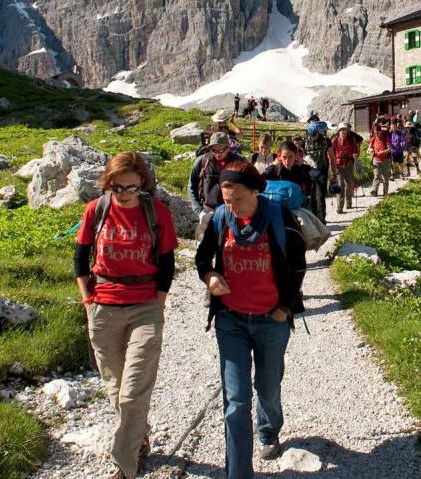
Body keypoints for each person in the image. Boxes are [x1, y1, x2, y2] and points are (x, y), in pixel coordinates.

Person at [195, 161, 307, 479]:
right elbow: (202, 258)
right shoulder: (220, 218)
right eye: (227, 200)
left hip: (272, 319)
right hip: (230, 321)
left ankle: (269, 430)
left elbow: (298, 265)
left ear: (256, 191)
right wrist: (211, 277)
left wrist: (284, 308)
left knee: (268, 387)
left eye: (238, 199)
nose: (232, 207)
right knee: (236, 401)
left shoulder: (278, 217)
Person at [75, 152, 178, 479]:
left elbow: (167, 263)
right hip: (103, 305)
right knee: (116, 387)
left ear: (143, 184)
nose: (124, 193)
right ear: (108, 183)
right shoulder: (96, 209)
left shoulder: (157, 212)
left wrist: (158, 305)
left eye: (131, 187)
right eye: (117, 187)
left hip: (145, 305)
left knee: (133, 391)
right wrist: (88, 300)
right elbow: (80, 257)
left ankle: (124, 465)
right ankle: (139, 435)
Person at [190, 132, 245, 235]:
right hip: (207, 213)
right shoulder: (202, 162)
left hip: (232, 212)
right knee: (203, 246)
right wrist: (198, 210)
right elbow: (191, 186)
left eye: (221, 150)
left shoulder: (238, 162)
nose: (217, 154)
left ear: (228, 148)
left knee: (229, 246)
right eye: (214, 150)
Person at [330, 123, 362, 212]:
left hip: (349, 164)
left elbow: (356, 151)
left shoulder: (352, 140)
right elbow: (330, 153)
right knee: (340, 186)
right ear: (339, 131)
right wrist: (332, 164)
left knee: (350, 185)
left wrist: (356, 157)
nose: (343, 131)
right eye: (341, 130)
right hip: (338, 165)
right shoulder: (334, 140)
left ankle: (349, 203)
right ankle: (339, 207)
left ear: (347, 131)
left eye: (345, 130)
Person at [369, 120, 392, 196]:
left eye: (377, 132)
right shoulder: (373, 138)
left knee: (385, 177)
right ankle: (374, 191)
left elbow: (389, 149)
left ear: (381, 131)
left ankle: (385, 192)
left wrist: (381, 153)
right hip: (376, 160)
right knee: (376, 176)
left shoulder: (385, 138)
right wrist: (371, 150)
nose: (376, 133)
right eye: (375, 132)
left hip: (384, 160)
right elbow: (369, 148)